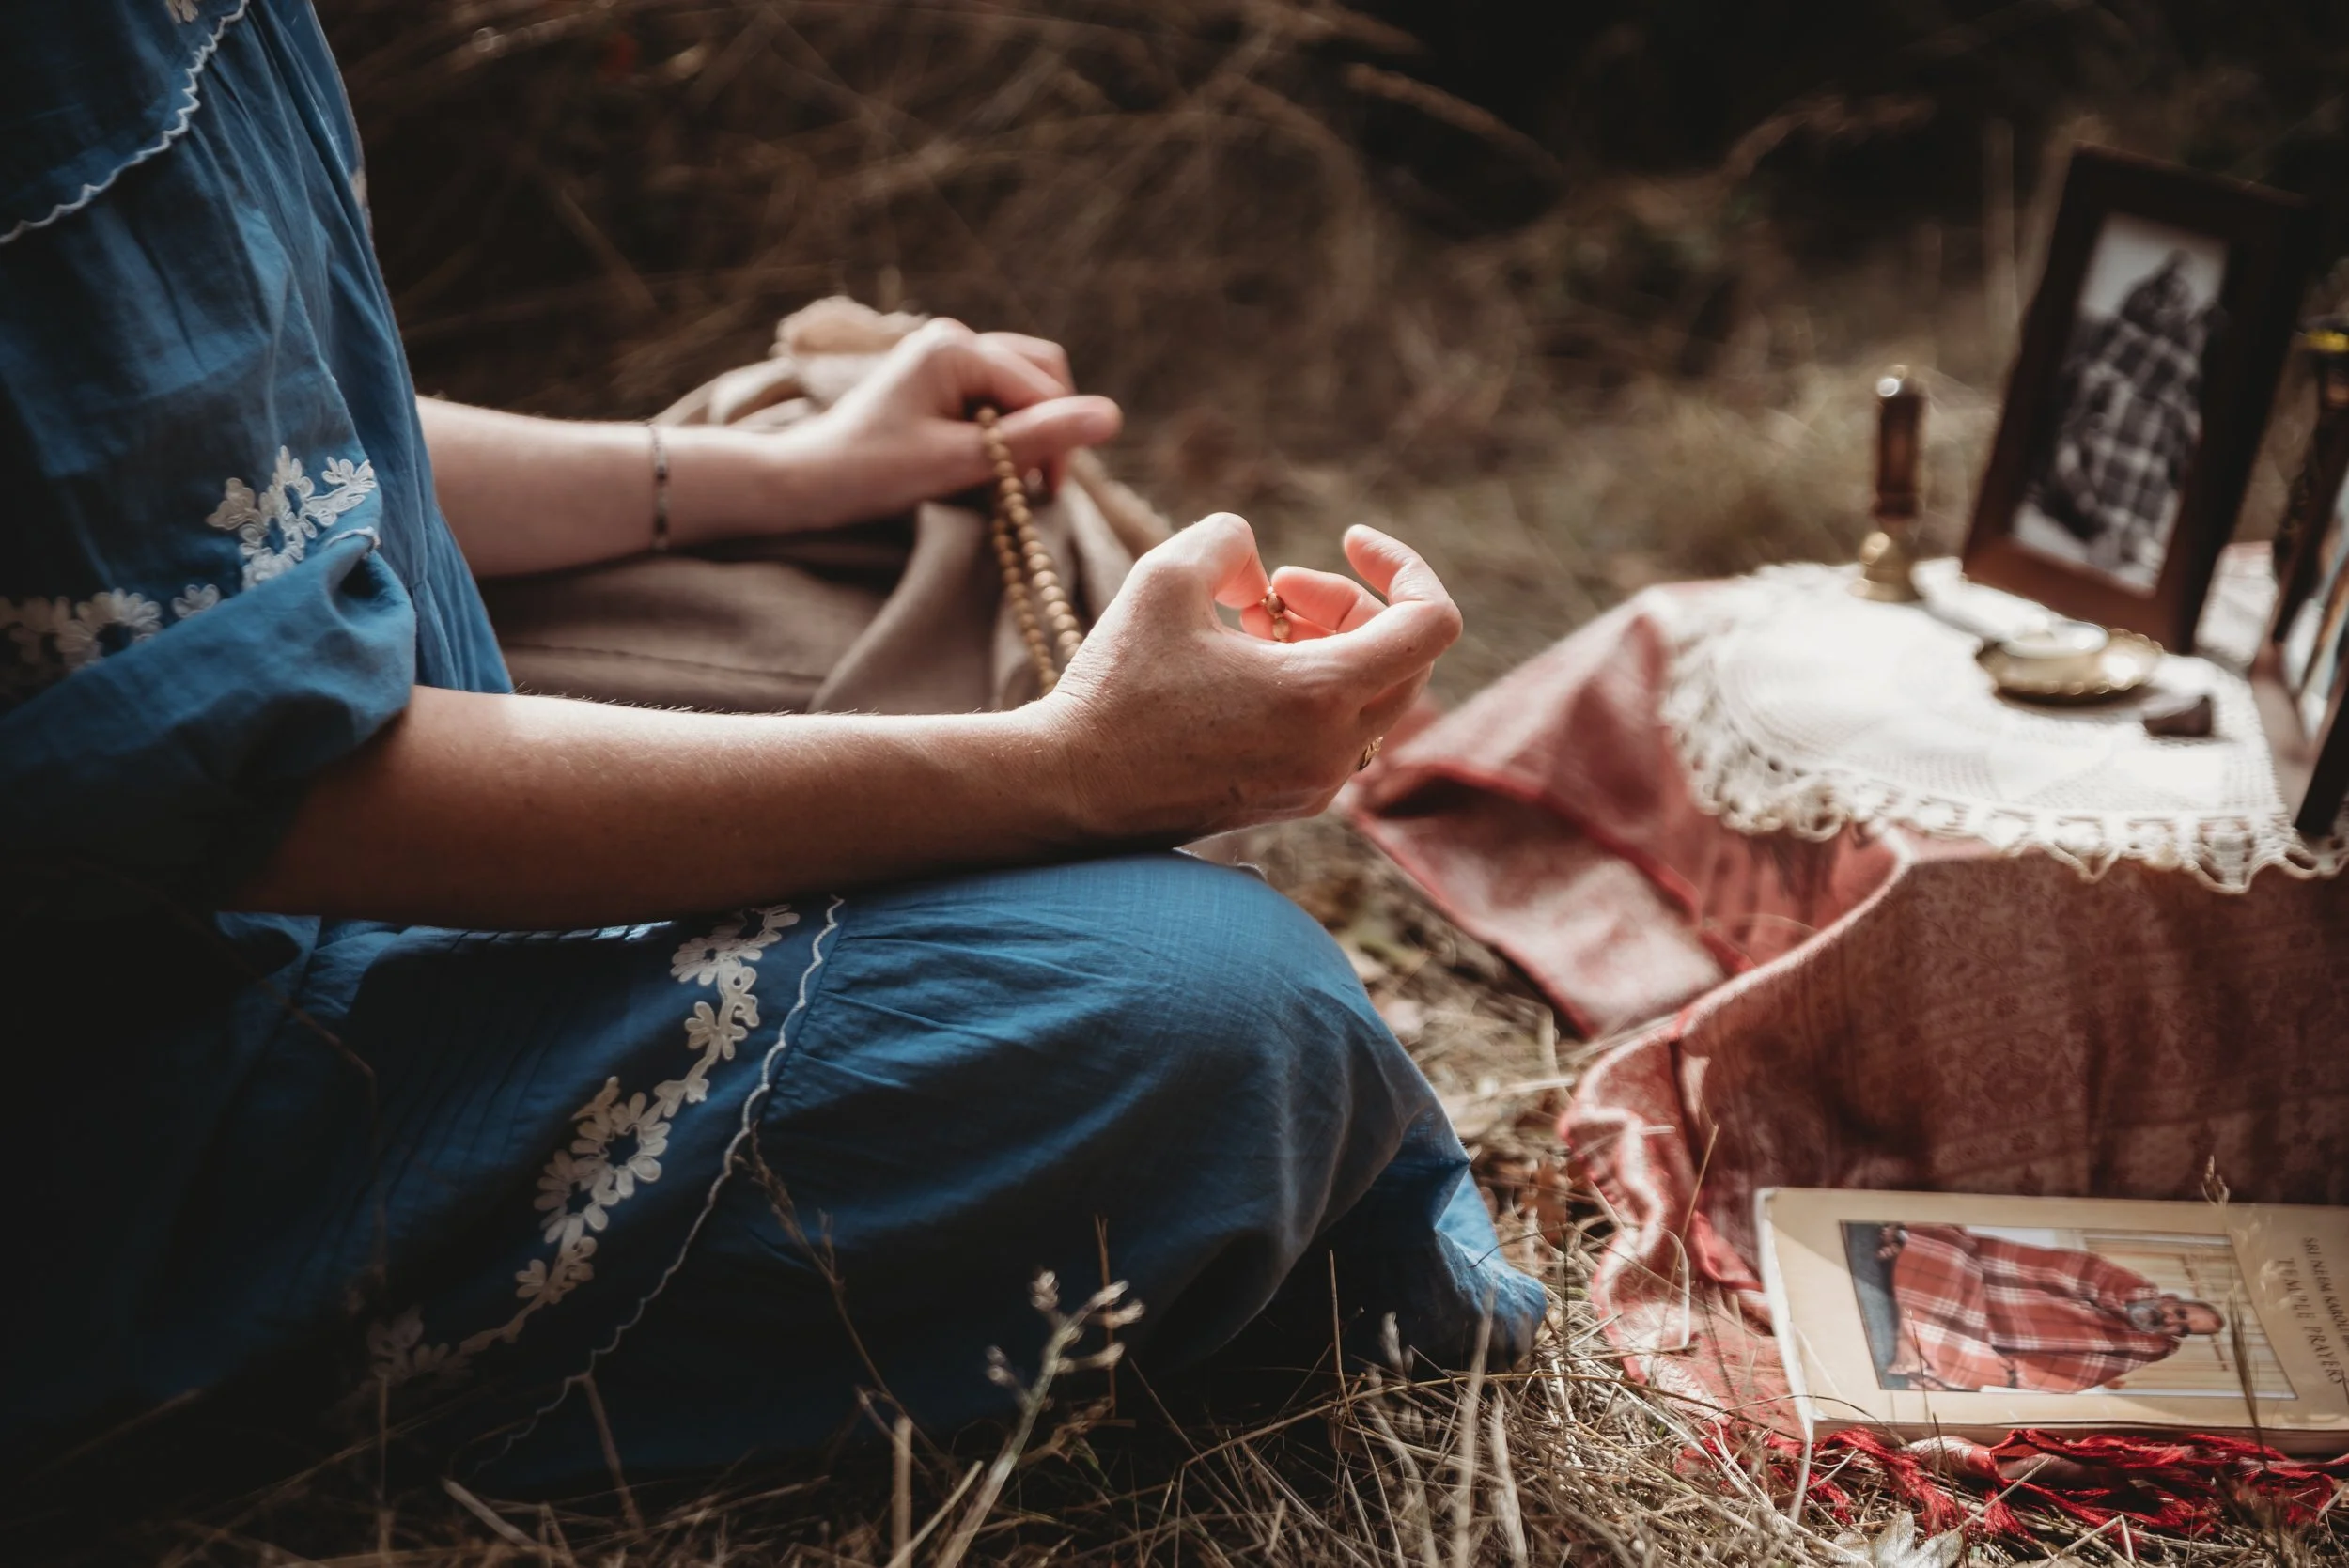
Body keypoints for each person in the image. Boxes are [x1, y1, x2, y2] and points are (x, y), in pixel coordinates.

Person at [0, 0, 1542, 1488]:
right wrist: (1061, 770)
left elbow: (290, 440)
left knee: (898, 544)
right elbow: (278, 784)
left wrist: (773, 469)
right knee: (1229, 1011)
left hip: (338, 727)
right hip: (162, 1088)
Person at [2026, 252, 2213, 579]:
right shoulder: (2102, 375)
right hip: (2087, 524)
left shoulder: (2179, 384)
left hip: (2119, 529)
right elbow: (2065, 452)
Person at [1880, 1224, 2224, 1395]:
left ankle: (1913, 1310)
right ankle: (1912, 1293)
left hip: (1992, 1336)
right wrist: (2123, 1302)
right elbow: (2054, 1267)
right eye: (2180, 1313)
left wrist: (2005, 1371)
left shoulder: (2141, 1348)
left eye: (2184, 1329)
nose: (2172, 1322)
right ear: (2171, 1300)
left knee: (1965, 1363)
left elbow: (2071, 1375)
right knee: (1950, 1250)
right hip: (1990, 1286)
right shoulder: (2127, 1283)